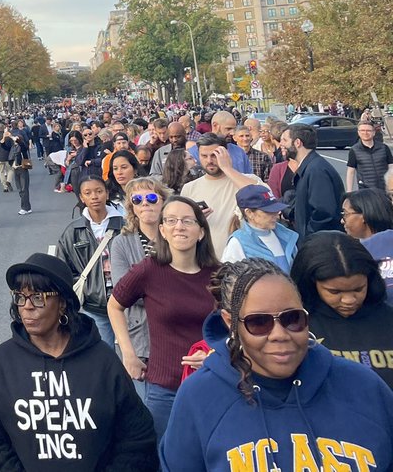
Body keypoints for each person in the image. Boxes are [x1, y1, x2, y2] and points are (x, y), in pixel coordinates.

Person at [160, 259, 393, 472]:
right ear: (230, 323)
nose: (279, 335)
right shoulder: (199, 397)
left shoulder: (364, 387)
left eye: (292, 319)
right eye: (259, 322)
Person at [0, 252, 157, 471]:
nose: (27, 306)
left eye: (39, 297)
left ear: (63, 304)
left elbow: (137, 437)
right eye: (21, 296)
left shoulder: (102, 361)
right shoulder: (4, 361)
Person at [108, 195, 218, 439]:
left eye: (187, 220)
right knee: (163, 457)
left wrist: (213, 354)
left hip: (212, 383)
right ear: (163, 231)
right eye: (171, 220)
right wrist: (129, 354)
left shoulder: (218, 275)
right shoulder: (149, 270)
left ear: (201, 232)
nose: (179, 226)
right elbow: (114, 306)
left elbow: (231, 327)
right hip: (164, 389)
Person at [290, 231, 393, 390]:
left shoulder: (388, 320)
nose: (349, 300)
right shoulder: (293, 325)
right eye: (335, 292)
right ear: (311, 283)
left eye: (358, 289)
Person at [108, 177, 171, 398]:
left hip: (176, 339)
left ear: (163, 202)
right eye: (138, 199)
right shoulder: (121, 243)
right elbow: (123, 291)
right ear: (132, 207)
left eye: (152, 197)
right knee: (147, 408)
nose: (145, 203)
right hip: (140, 341)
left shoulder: (178, 238)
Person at [57, 175, 124, 344]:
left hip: (129, 302)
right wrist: (84, 287)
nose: (94, 196)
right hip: (94, 305)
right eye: (88, 193)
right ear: (81, 197)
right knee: (104, 357)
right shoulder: (73, 231)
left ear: (107, 194)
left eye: (99, 191)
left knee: (136, 357)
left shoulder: (126, 225)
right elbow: (62, 268)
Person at [180, 137, 263, 257]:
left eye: (214, 155)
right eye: (204, 156)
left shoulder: (249, 180)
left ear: (226, 154)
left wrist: (227, 168)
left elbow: (260, 196)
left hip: (244, 260)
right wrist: (196, 219)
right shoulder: (189, 188)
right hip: (205, 260)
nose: (209, 160)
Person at [283, 123, 344, 238]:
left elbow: (323, 213)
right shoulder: (311, 167)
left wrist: (309, 238)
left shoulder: (316, 170)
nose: (281, 144)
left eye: (285, 140)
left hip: (321, 245)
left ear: (297, 143)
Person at [220, 184, 299, 271]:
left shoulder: (286, 235)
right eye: (268, 211)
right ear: (249, 213)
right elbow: (228, 279)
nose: (276, 215)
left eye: (276, 209)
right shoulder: (238, 242)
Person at [347, 120, 393, 192]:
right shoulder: (354, 150)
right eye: (362, 130)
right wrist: (349, 191)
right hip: (366, 191)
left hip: (384, 189)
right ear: (358, 133)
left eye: (368, 130)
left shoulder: (384, 148)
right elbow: (350, 172)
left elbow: (391, 167)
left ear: (373, 132)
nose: (365, 133)